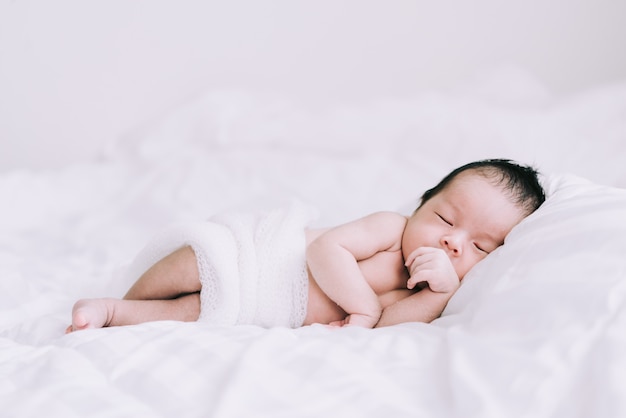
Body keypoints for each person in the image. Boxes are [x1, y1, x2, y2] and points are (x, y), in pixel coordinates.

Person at [66, 158, 545, 332]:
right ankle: (132, 292)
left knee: (194, 312)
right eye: (445, 217)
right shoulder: (390, 229)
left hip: (266, 306)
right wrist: (362, 307)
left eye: (480, 247)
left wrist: (438, 295)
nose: (452, 241)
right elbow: (326, 249)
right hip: (259, 260)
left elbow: (389, 323)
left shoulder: (426, 290)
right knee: (195, 265)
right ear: (422, 204)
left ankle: (114, 313)